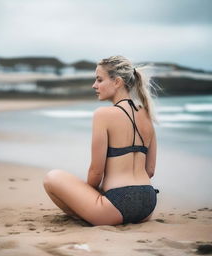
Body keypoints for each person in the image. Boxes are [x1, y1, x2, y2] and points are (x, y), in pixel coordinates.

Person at [43, 55, 159, 226]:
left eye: (99, 79)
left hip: (116, 205)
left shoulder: (103, 115)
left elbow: (96, 171)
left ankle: (88, 214)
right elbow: (150, 170)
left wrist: (89, 195)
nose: (94, 85)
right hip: (148, 203)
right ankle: (95, 211)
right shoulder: (147, 115)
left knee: (51, 178)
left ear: (117, 82)